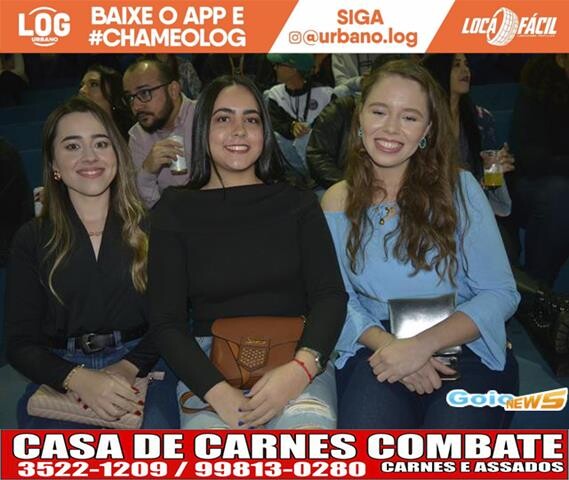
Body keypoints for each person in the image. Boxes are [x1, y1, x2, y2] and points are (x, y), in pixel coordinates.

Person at [322, 60, 520, 429]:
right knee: (371, 440)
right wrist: (391, 347)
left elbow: (500, 293)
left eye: (409, 117)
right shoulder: (337, 200)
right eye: (379, 111)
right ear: (360, 116)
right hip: (378, 346)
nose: (391, 128)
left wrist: (419, 346)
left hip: (464, 341)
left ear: (427, 129)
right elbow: (337, 299)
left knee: (450, 444)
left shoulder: (459, 189)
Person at [148, 75, 347, 429]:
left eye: (251, 119)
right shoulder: (174, 210)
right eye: (223, 118)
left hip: (297, 357)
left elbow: (330, 296)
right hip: (208, 366)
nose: (239, 130)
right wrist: (217, 392)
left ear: (264, 132)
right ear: (203, 129)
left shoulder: (297, 202)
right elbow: (166, 322)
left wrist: (300, 370)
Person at [5, 96, 178, 429]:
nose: (90, 156)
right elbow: (19, 344)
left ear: (117, 155)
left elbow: (170, 321)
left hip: (143, 363)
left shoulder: (154, 229)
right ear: (53, 164)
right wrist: (76, 378)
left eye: (101, 143)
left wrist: (127, 367)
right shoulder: (31, 239)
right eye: (72, 146)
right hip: (60, 370)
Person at [422, 54, 515, 218]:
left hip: (476, 206)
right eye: (457, 65)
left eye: (466, 64)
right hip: (434, 208)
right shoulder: (422, 121)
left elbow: (491, 187)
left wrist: (494, 167)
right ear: (440, 71)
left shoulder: (481, 119)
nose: (465, 70)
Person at [123, 58, 195, 208]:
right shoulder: (137, 136)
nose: (136, 106)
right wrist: (147, 172)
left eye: (145, 93)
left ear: (173, 90)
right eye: (130, 97)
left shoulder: (207, 117)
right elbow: (147, 208)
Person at [265, 54, 334, 177]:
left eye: (279, 65)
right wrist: (292, 127)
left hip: (321, 155)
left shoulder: (326, 94)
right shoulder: (275, 93)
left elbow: (332, 126)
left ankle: (315, 177)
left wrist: (308, 129)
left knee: (305, 138)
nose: (275, 68)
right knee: (275, 136)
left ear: (294, 68)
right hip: (290, 160)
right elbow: (274, 121)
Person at [79, 64, 134, 140]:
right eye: (82, 85)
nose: (82, 90)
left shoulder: (134, 133)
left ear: (113, 93)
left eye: (93, 84)